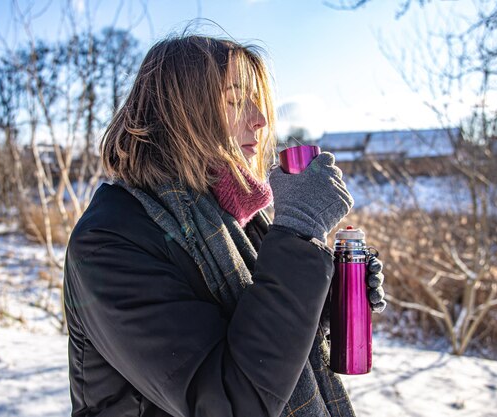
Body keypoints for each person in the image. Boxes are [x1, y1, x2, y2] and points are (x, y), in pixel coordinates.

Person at [63, 34, 386, 417]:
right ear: (179, 114)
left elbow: (249, 327)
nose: (261, 120)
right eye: (235, 100)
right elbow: (229, 402)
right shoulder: (110, 242)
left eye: (257, 102)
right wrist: (298, 232)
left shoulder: (231, 214)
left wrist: (322, 300)